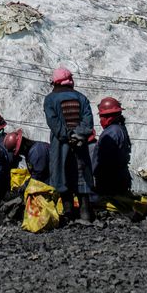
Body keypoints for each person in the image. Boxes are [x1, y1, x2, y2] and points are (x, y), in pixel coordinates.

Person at [43, 66, 95, 222]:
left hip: (61, 145)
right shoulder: (82, 98)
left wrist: (67, 135)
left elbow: (54, 123)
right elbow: (88, 122)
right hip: (80, 143)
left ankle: (69, 214)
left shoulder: (50, 99)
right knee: (82, 176)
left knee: (62, 175)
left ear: (55, 82)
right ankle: (86, 215)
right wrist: (78, 134)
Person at [93, 97, 132, 196]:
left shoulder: (111, 132)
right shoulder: (119, 129)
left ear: (107, 117)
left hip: (111, 182)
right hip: (120, 179)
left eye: (101, 116)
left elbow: (104, 160)